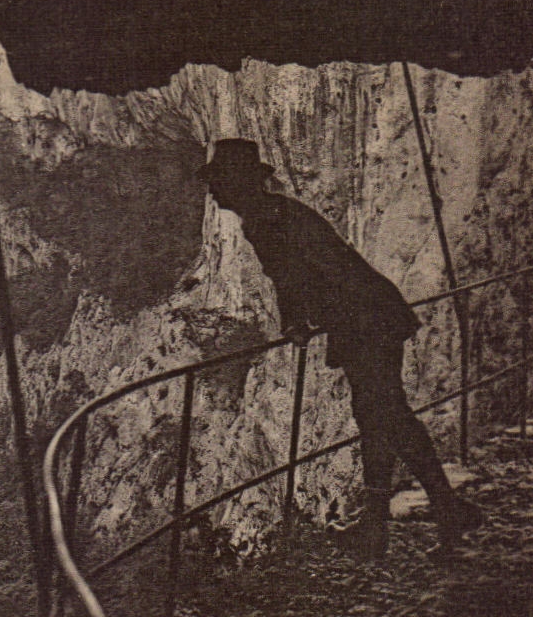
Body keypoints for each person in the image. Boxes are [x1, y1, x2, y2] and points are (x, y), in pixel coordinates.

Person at [197, 139, 482, 556]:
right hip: (368, 314)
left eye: (218, 181)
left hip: (363, 319)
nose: (211, 190)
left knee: (386, 416)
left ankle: (430, 512)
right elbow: (298, 272)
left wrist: (295, 322)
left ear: (236, 183)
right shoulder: (276, 211)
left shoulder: (263, 221)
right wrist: (299, 318)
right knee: (380, 417)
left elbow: (289, 276)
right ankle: (390, 523)